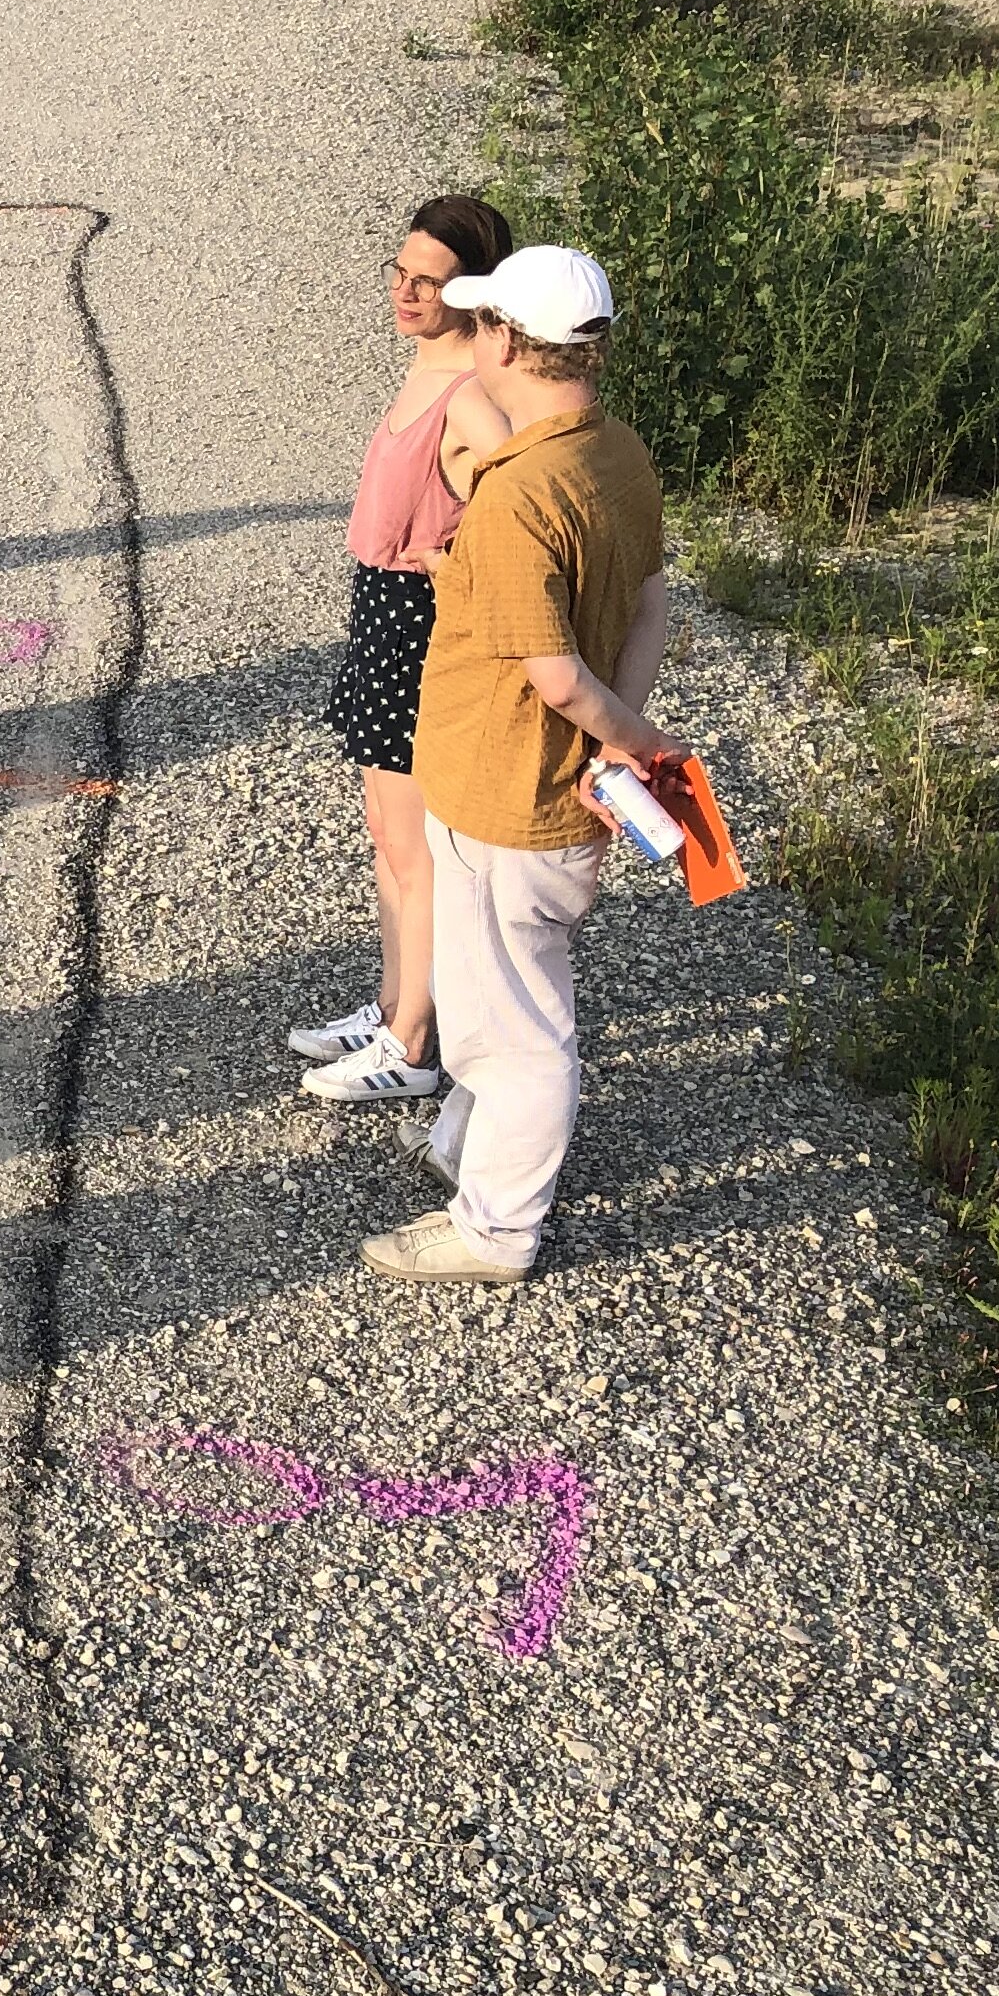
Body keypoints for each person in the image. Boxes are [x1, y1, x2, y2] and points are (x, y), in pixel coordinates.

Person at [365, 245, 676, 1287]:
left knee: (517, 1029)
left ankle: (496, 1230)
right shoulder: (617, 454)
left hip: (506, 795)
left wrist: (632, 741)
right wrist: (619, 734)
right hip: (556, 790)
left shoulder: (517, 495)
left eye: (481, 323)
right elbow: (646, 603)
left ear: (504, 341)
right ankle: (464, 1148)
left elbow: (552, 674)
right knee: (500, 998)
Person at [294, 195, 518, 1108]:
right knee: (387, 833)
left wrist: (457, 566)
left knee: (418, 847)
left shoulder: (473, 398)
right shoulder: (427, 369)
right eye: (401, 272)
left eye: (429, 281)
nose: (408, 292)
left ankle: (415, 1043)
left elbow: (526, 507)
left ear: (471, 291)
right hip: (380, 611)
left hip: (423, 623)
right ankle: (392, 1007)